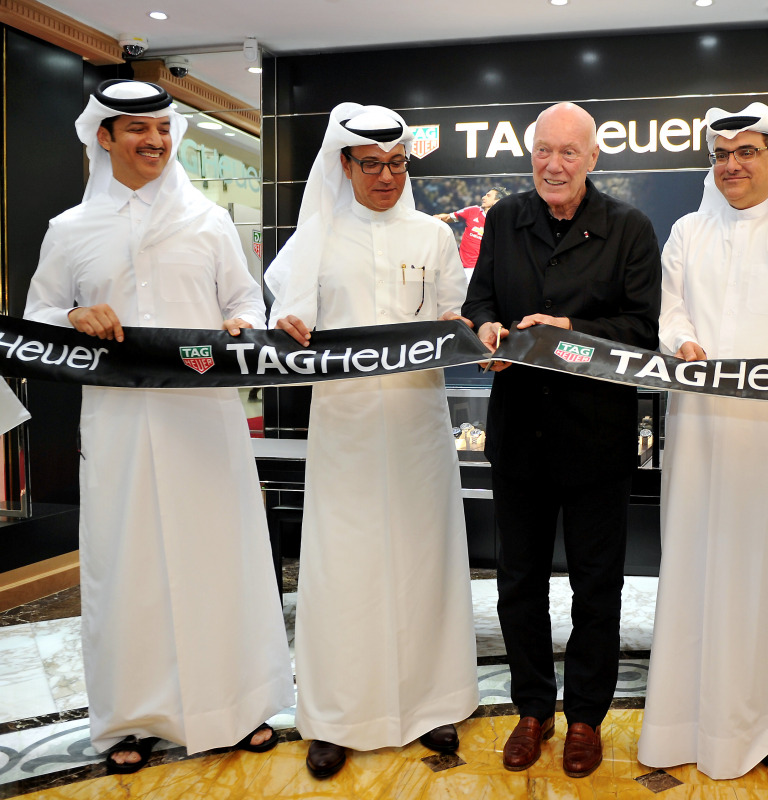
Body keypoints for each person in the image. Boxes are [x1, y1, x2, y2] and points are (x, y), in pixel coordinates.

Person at [24, 79, 294, 773]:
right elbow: (36, 321)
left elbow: (246, 303)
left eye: (163, 131)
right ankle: (130, 720)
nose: (153, 142)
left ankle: (234, 708)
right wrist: (73, 318)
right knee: (128, 569)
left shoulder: (208, 222)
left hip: (203, 423)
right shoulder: (69, 231)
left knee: (218, 560)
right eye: (137, 131)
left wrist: (242, 325)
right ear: (103, 138)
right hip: (117, 428)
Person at [638, 102, 768, 779]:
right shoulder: (687, 231)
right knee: (702, 564)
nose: (731, 164)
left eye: (747, 152)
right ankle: (693, 718)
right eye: (721, 153)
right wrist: (682, 341)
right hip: (702, 435)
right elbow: (669, 311)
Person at [267, 103, 479, 780]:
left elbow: (456, 320)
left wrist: (459, 324)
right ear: (344, 164)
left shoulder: (432, 237)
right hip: (347, 434)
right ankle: (336, 719)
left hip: (418, 428)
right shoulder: (314, 241)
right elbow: (283, 318)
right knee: (345, 571)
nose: (387, 177)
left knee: (425, 561)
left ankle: (433, 702)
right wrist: (289, 325)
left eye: (397, 164)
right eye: (372, 165)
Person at [461, 101, 660, 779]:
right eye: (543, 150)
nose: (553, 164)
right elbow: (480, 301)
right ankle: (532, 711)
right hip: (518, 436)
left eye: (568, 153)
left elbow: (643, 332)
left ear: (593, 159)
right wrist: (485, 330)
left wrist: (568, 329)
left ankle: (583, 719)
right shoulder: (504, 219)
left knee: (597, 588)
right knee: (518, 586)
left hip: (596, 439)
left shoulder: (629, 229)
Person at [435, 186, 506, 273]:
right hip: (461, 268)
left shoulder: (502, 222)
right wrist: (437, 217)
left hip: (483, 269)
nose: (483, 197)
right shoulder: (473, 211)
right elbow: (448, 217)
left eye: (488, 196)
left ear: (497, 201)